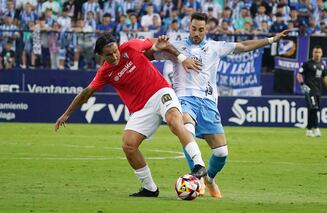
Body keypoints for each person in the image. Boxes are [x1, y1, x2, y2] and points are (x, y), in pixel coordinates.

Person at [150, 12, 289, 198]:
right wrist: (156, 46)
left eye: (201, 29)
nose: (196, 33)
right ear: (188, 27)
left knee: (222, 153)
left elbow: (243, 46)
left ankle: (209, 179)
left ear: (206, 29)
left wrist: (272, 39)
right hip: (184, 99)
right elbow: (149, 52)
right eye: (193, 29)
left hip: (208, 103)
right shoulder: (176, 46)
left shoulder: (215, 47)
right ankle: (197, 179)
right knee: (186, 129)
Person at [54, 33, 206, 197]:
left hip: (160, 91)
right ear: (100, 55)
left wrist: (180, 56)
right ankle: (150, 188)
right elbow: (86, 93)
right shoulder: (104, 73)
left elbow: (161, 44)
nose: (114, 55)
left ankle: (198, 164)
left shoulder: (131, 46)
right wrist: (66, 114)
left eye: (115, 51)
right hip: (141, 109)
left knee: (174, 122)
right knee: (129, 145)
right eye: (109, 54)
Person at [297, 45, 327, 137]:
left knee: (313, 110)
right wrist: (302, 85)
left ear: (322, 54)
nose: (317, 54)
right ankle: (316, 128)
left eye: (319, 52)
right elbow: (299, 75)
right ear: (312, 53)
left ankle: (309, 130)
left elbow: (325, 77)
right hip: (309, 90)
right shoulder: (307, 64)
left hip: (318, 90)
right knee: (313, 108)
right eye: (315, 52)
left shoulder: (322, 65)